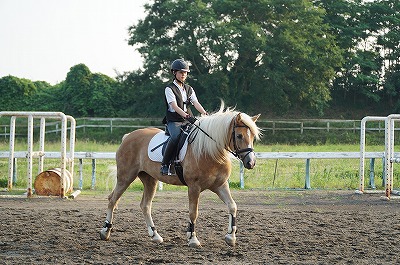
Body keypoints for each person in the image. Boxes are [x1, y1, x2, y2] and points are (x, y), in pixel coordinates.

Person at [161, 59, 208, 175]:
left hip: (187, 120)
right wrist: (187, 116)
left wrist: (204, 113)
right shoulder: (169, 88)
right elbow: (174, 106)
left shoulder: (189, 89)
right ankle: (165, 164)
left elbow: (196, 103)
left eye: (185, 73)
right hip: (174, 121)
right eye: (181, 72)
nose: (183, 75)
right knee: (175, 137)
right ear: (174, 73)